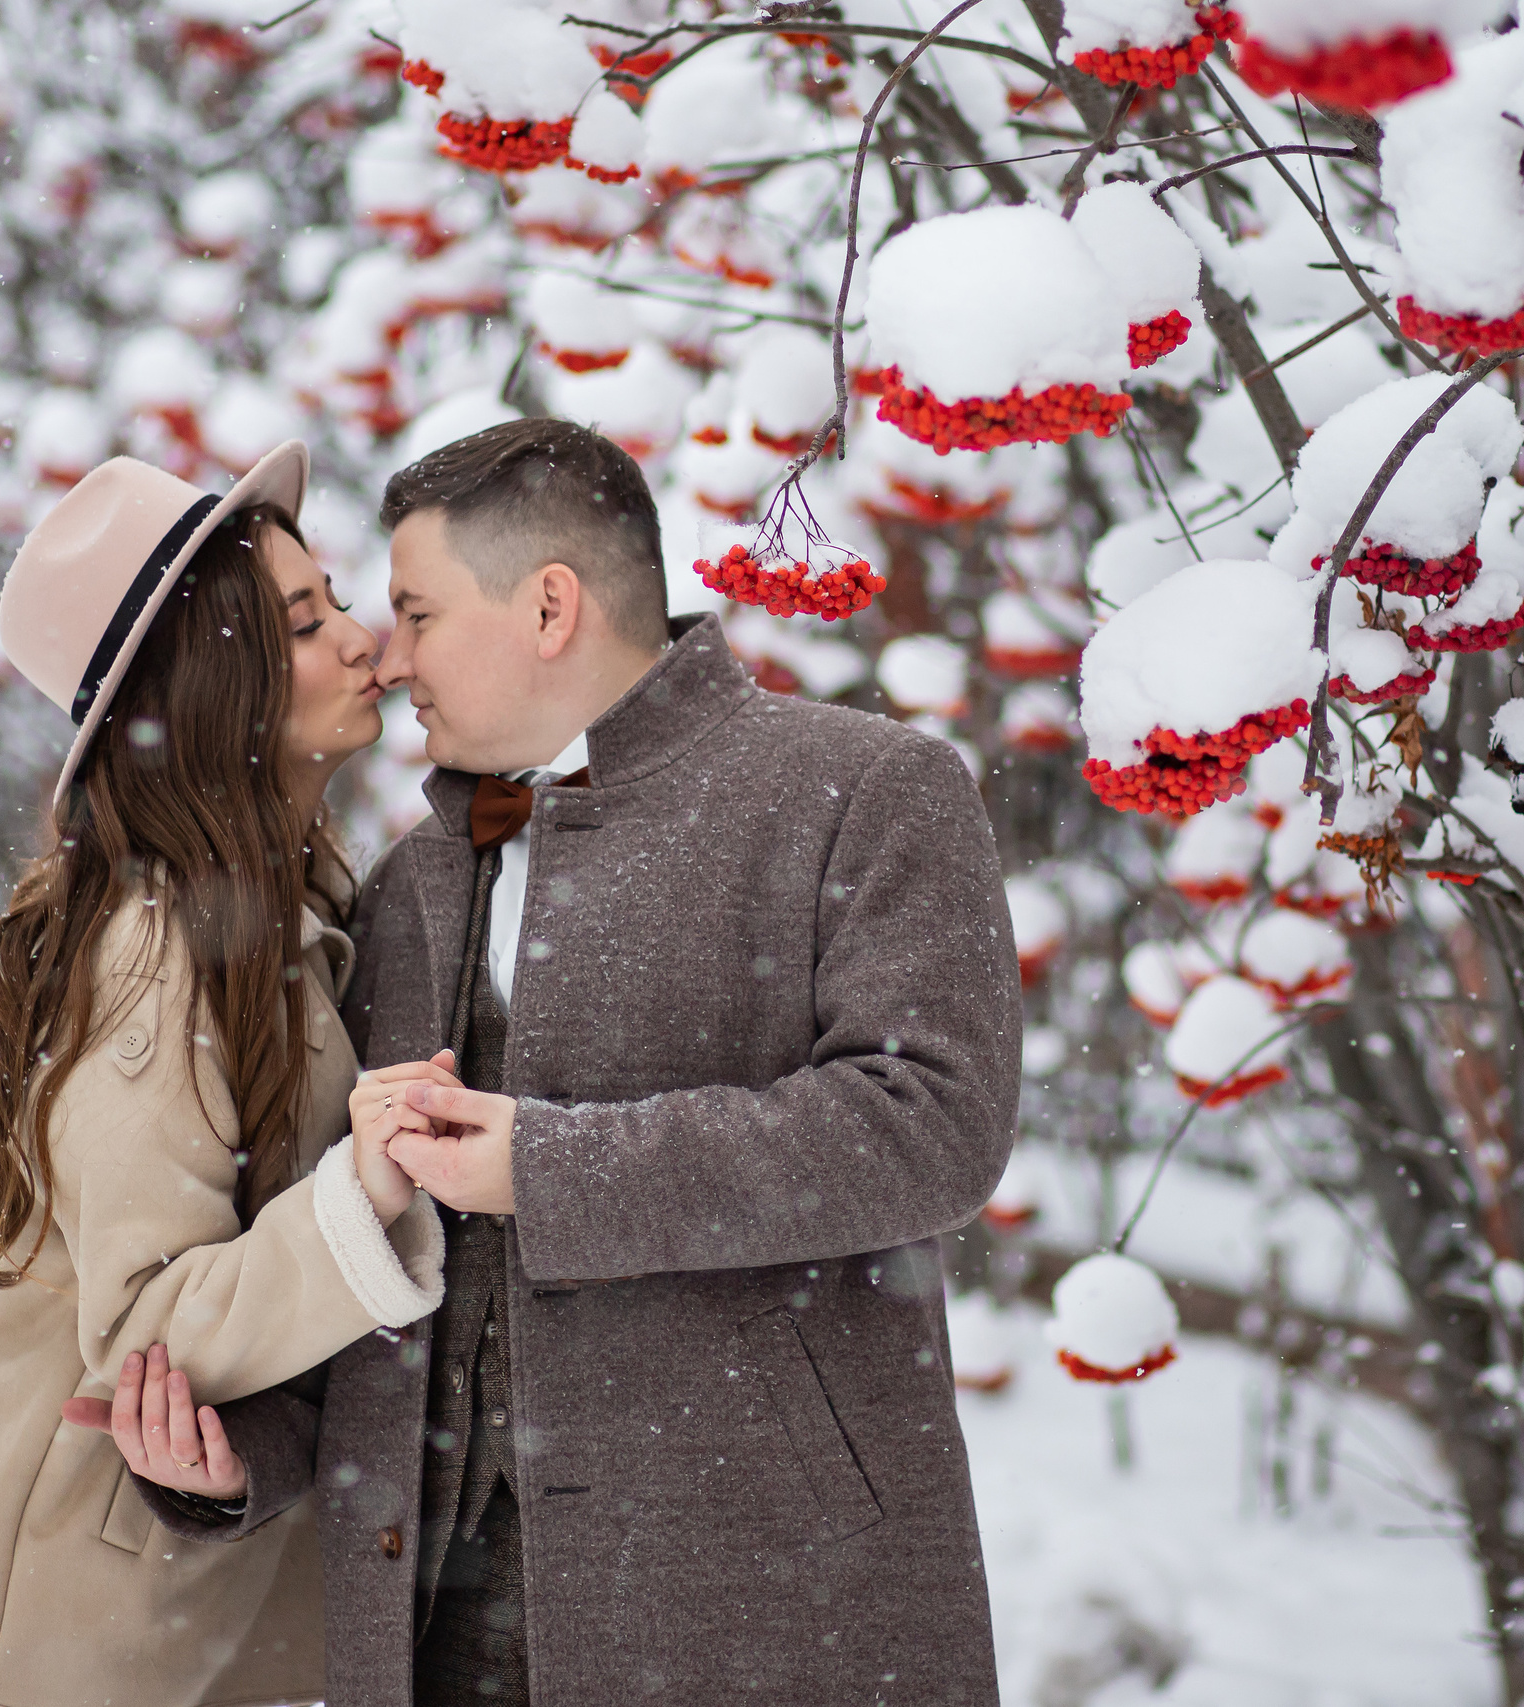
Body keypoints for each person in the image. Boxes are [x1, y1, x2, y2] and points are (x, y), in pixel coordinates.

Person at [88, 417, 1025, 1705]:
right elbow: (384, 1260)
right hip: (429, 1627)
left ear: (547, 606)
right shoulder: (408, 885)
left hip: (765, 1604)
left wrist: (558, 1167)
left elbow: (932, 1124)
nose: (388, 652)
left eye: (416, 609)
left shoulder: (866, 790)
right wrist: (243, 1455)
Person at [0, 443, 460, 1707]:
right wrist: (364, 1196)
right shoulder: (156, 950)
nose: (362, 642)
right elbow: (145, 1322)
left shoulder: (278, 907)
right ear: (215, 688)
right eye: (305, 624)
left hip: (154, 1599)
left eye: (336, 601)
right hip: (57, 1622)